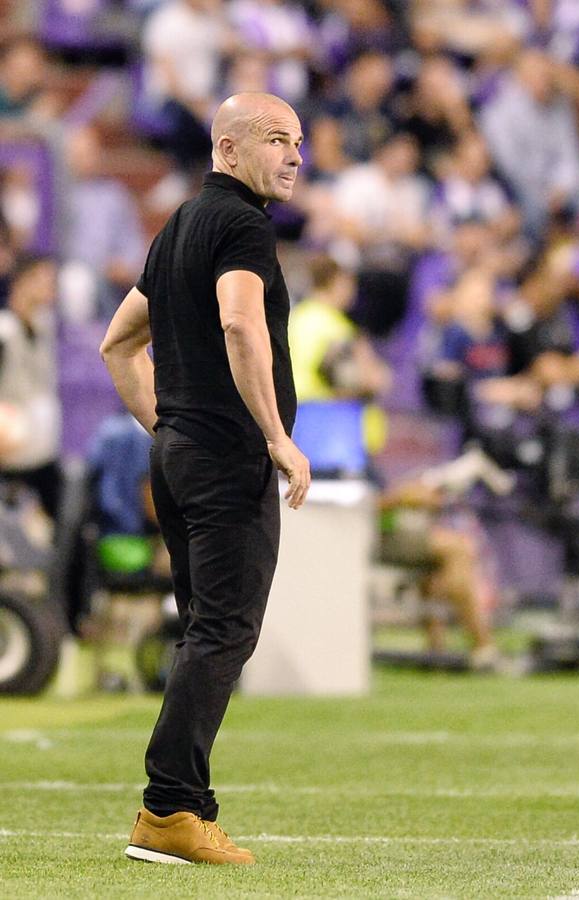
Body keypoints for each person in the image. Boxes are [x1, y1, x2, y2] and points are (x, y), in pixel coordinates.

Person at [100, 91, 311, 864]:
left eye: (299, 142)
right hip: (224, 460)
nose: (293, 155)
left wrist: (170, 428)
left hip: (183, 456)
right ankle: (168, 810)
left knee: (204, 631)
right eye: (276, 139)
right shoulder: (241, 225)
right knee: (225, 630)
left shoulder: (179, 226)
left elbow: (119, 346)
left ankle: (184, 805)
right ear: (227, 150)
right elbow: (238, 321)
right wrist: (276, 437)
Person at [0, 254, 62, 522]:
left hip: (42, 453)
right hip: (10, 454)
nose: (50, 288)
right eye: (42, 279)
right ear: (22, 282)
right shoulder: (4, 332)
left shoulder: (44, 326)